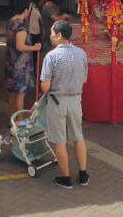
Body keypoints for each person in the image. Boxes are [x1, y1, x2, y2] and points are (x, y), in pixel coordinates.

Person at [40, 20, 89, 189]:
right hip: (76, 100)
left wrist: (57, 84)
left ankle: (66, 178)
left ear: (59, 35)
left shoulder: (51, 56)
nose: (51, 36)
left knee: (59, 141)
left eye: (52, 33)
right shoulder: (81, 53)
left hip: (57, 101)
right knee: (78, 136)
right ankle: (83, 175)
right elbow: (84, 79)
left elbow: (45, 87)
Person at [6, 0, 42, 117]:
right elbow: (20, 46)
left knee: (12, 93)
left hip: (10, 61)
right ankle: (18, 120)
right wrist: (35, 47)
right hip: (19, 64)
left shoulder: (10, 21)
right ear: (25, 10)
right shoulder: (20, 25)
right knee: (20, 93)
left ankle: (12, 118)